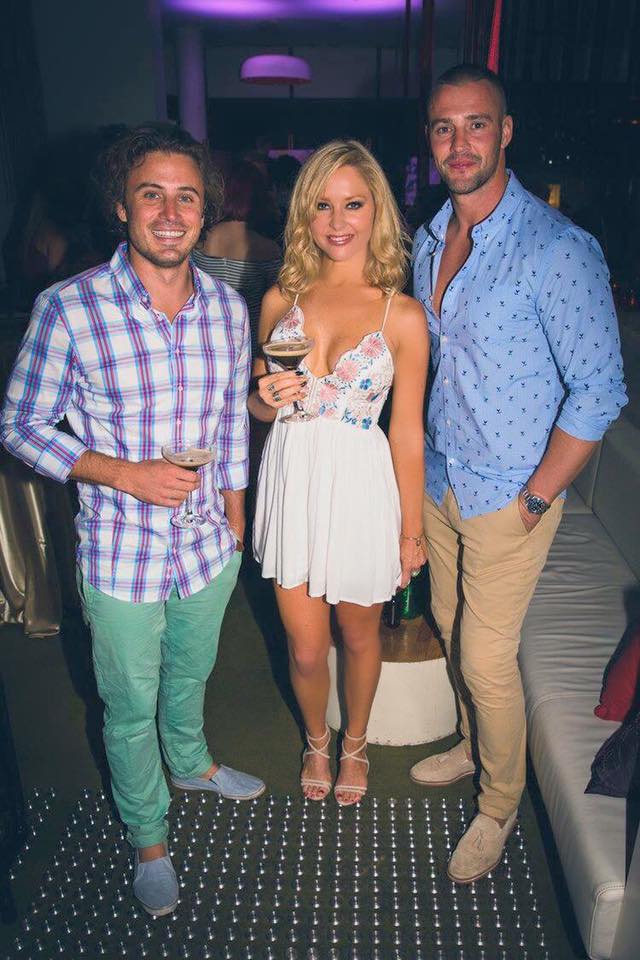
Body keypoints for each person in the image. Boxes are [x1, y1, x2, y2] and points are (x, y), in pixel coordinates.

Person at [0, 122, 265, 917]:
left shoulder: (227, 308)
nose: (171, 213)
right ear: (121, 205)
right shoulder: (69, 308)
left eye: (187, 197)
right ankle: (149, 837)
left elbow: (232, 421)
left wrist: (237, 518)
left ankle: (190, 761)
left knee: (191, 672)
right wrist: (123, 474)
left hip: (208, 546)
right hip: (121, 550)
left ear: (206, 209)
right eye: (152, 194)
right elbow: (19, 426)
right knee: (127, 705)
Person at [410, 65, 627, 883]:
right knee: (446, 621)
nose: (459, 142)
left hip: (511, 491)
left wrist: (538, 496)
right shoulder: (430, 236)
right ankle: (475, 745)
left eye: (476, 124)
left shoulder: (557, 248)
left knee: (484, 658)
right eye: (443, 126)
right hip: (440, 479)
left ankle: (499, 805)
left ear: (505, 132)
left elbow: (600, 390)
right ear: (430, 140)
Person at [249, 140, 429, 805]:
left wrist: (412, 533)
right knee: (303, 648)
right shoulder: (280, 298)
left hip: (359, 486)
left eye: (353, 204)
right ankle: (316, 739)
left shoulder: (400, 314)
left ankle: (354, 743)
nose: (337, 220)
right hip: (293, 480)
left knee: (358, 634)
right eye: (322, 205)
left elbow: (406, 432)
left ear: (377, 210)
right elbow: (258, 404)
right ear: (304, 213)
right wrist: (261, 399)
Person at [191, 158, 282, 354]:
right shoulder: (268, 249)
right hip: (249, 345)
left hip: (204, 340)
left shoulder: (197, 241)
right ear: (258, 197)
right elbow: (278, 309)